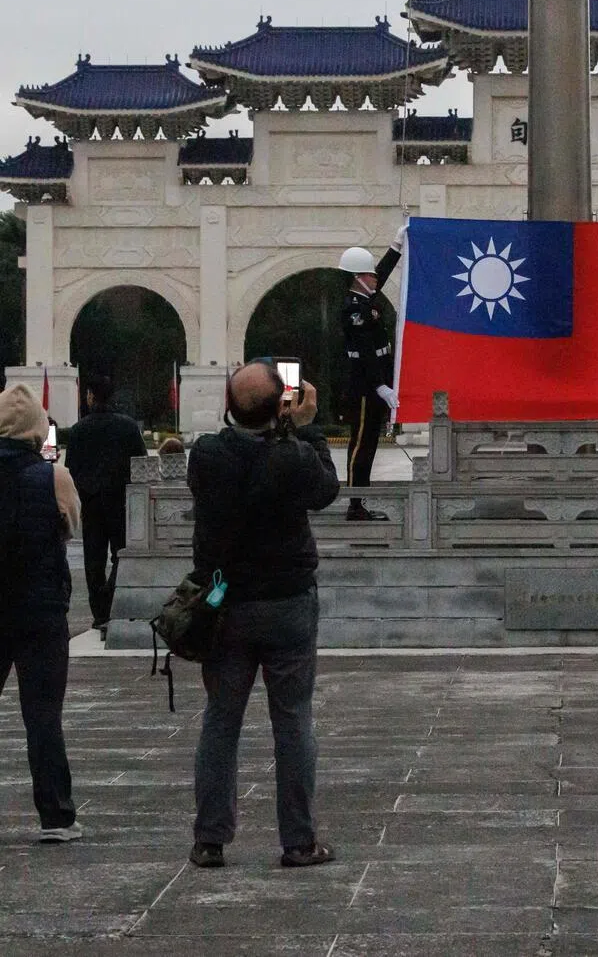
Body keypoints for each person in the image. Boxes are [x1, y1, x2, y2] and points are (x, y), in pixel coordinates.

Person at [186, 360, 340, 868]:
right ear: (281, 406)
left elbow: (237, 457)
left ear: (227, 407)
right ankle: (298, 840)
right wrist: (305, 426)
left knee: (221, 721)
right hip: (288, 601)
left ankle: (210, 838)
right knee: (293, 721)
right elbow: (326, 491)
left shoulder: (206, 456)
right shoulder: (293, 456)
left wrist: (278, 425)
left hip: (226, 604)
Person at [0, 383, 84, 842]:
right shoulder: (54, 476)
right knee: (42, 715)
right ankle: (55, 816)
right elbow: (69, 527)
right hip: (40, 609)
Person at [64, 373, 147, 629]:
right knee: (121, 554)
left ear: (90, 396)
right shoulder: (128, 427)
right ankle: (111, 597)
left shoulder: (79, 430)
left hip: (91, 502)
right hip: (122, 501)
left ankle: (100, 614)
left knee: (93, 560)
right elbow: (141, 464)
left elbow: (71, 468)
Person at [339, 224, 406, 520]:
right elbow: (365, 351)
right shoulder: (354, 309)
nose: (375, 278)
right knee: (361, 443)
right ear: (358, 278)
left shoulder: (366, 300)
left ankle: (360, 500)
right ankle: (355, 503)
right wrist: (380, 386)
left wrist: (396, 246)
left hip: (375, 381)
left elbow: (382, 272)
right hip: (365, 385)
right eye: (370, 275)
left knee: (370, 442)